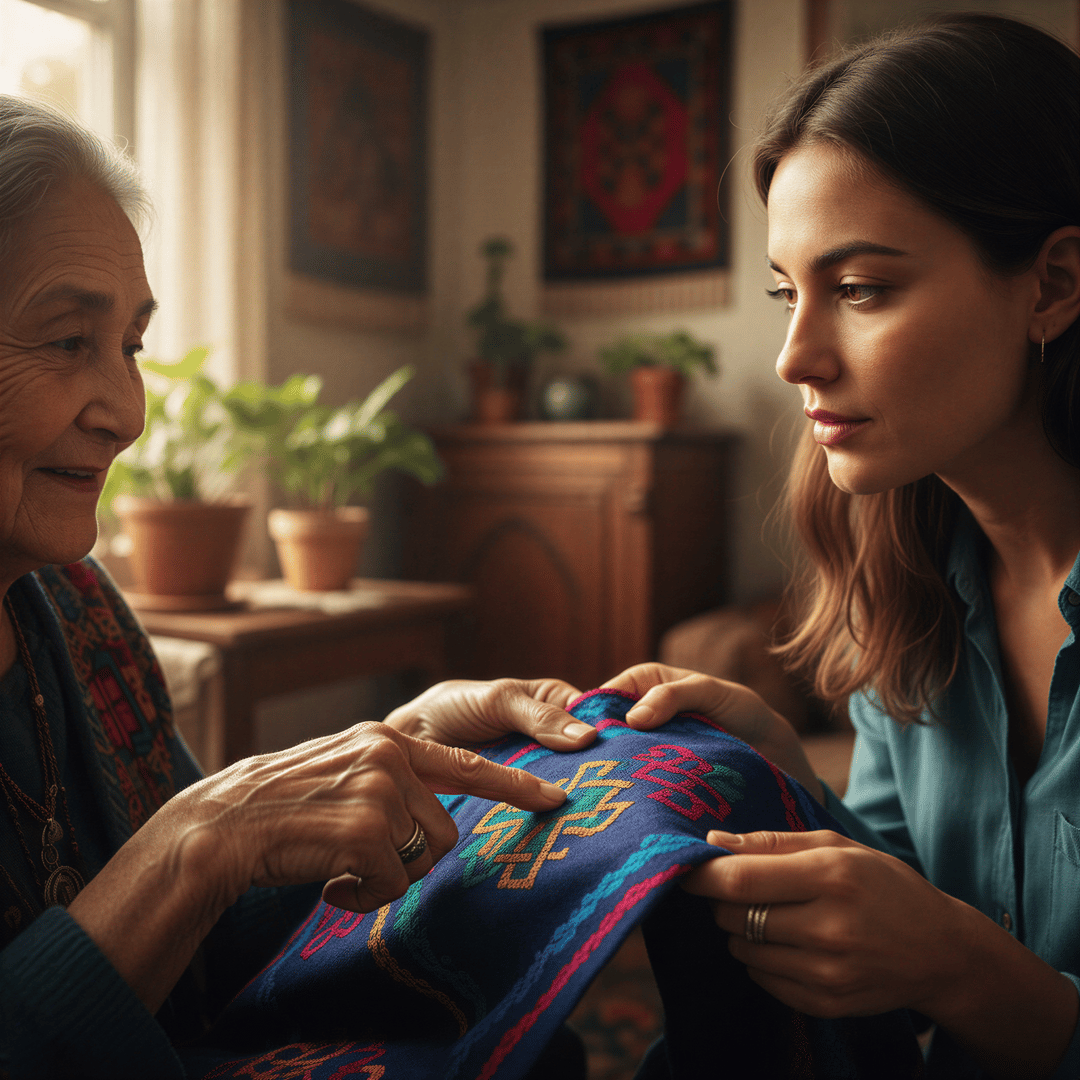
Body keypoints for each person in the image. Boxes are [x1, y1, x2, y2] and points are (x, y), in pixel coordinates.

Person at [0, 94, 601, 1079]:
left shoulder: (77, 611)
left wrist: (398, 753)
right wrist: (197, 841)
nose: (127, 412)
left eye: (132, 347)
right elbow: (196, 858)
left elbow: (219, 927)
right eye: (70, 341)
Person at [598, 13, 1080, 1080]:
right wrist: (776, 772)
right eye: (788, 292)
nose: (793, 357)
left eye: (859, 289)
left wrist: (969, 974)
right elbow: (894, 903)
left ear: (1051, 284)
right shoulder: (904, 581)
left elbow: (942, 953)